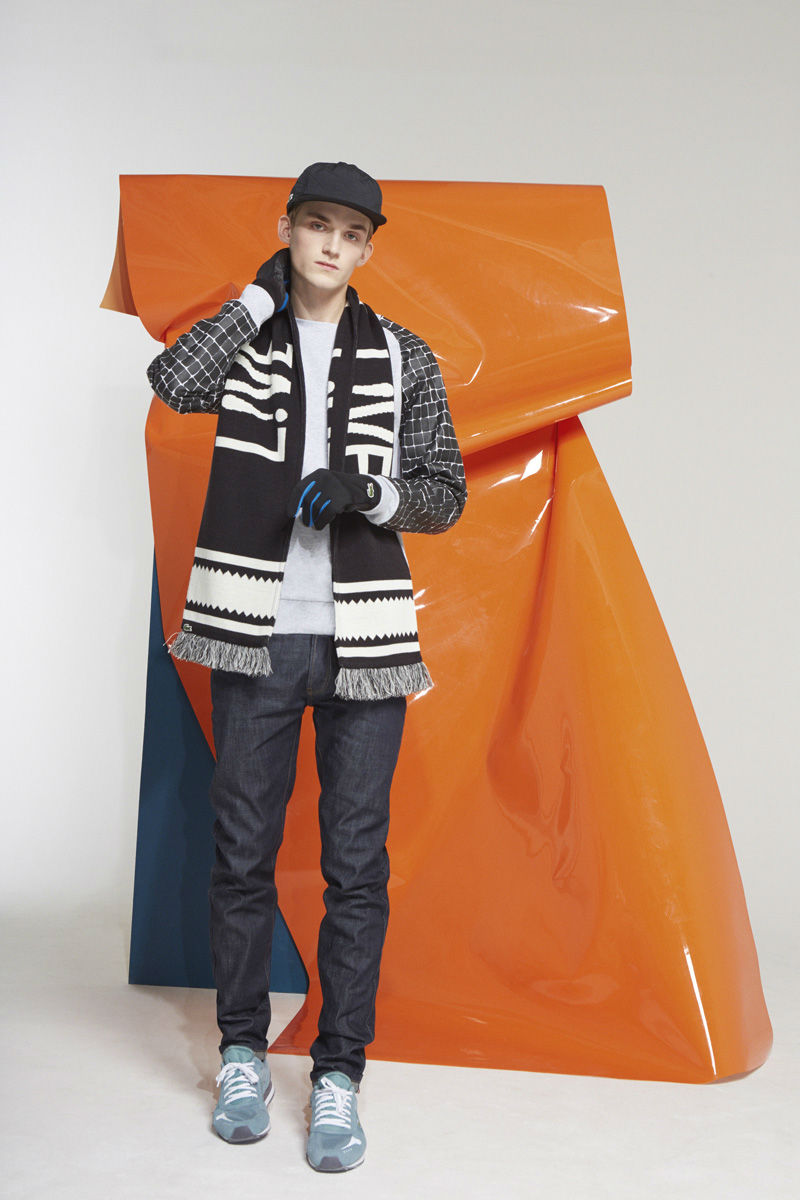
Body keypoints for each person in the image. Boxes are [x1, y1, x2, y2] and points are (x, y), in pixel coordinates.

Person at [146, 161, 467, 1172]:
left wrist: (371, 492)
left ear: (367, 248)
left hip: (364, 639)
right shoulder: (246, 337)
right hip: (252, 628)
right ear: (287, 228)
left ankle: (338, 1074)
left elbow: (444, 491)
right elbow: (172, 383)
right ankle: (242, 1053)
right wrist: (254, 299)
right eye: (316, 225)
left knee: (355, 864)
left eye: (350, 233)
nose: (331, 245)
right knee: (242, 852)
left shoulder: (405, 355)